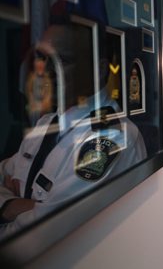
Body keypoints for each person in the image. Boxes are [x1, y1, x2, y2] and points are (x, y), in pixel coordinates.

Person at [0, 23, 146, 238]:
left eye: (63, 60)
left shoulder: (111, 137)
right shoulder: (46, 124)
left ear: (98, 70)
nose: (47, 70)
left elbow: (40, 235)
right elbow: (4, 171)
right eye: (43, 58)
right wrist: (10, 206)